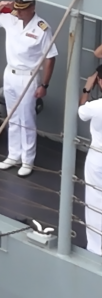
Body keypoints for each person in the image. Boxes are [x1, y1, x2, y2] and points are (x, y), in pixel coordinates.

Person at [0, 0, 57, 177]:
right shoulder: (11, 20)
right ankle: (13, 155)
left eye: (23, 9)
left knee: (27, 120)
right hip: (10, 73)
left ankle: (27, 160)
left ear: (33, 7)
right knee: (12, 117)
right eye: (17, 8)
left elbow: (50, 59)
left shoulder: (42, 28)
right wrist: (2, 4)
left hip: (28, 77)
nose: (19, 13)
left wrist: (44, 85)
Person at [79, 65, 102, 256]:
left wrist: (87, 88)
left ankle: (96, 248)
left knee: (95, 200)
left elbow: (81, 112)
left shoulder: (95, 107)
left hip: (98, 158)